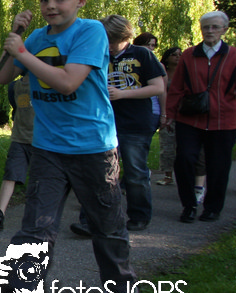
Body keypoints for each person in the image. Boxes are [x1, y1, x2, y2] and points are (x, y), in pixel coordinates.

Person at [0, 0, 137, 293]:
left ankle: (120, 289)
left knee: (106, 225)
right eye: (44, 0)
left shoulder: (90, 32)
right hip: (48, 148)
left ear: (80, 0)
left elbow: (68, 83)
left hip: (93, 148)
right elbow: (2, 77)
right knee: (35, 229)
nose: (51, 6)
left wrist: (24, 53)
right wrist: (16, 38)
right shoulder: (35, 37)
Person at [69, 15, 165, 233]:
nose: (109, 46)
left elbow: (158, 87)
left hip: (135, 123)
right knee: (98, 173)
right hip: (102, 123)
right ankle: (91, 221)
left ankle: (139, 216)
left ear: (125, 37)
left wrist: (123, 94)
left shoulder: (142, 54)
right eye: (106, 41)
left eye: (113, 42)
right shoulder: (96, 54)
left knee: (135, 173)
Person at [165, 11, 236, 223]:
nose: (210, 31)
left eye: (215, 27)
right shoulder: (189, 55)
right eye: (206, 27)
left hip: (223, 120)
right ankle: (189, 205)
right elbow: (176, 87)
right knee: (184, 159)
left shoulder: (235, 56)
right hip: (190, 118)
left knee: (218, 165)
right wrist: (169, 114)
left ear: (224, 30)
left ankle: (213, 208)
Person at [0, 74, 34, 230]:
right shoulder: (14, 86)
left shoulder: (46, 84)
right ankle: (0, 214)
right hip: (19, 139)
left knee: (42, 179)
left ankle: (41, 216)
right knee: (11, 174)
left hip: (42, 141)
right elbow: (16, 108)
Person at [155, 47, 182, 185]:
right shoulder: (162, 72)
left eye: (180, 54)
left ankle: (185, 175)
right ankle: (167, 175)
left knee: (184, 148)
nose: (178, 57)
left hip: (183, 113)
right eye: (174, 54)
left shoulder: (185, 72)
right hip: (167, 112)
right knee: (167, 146)